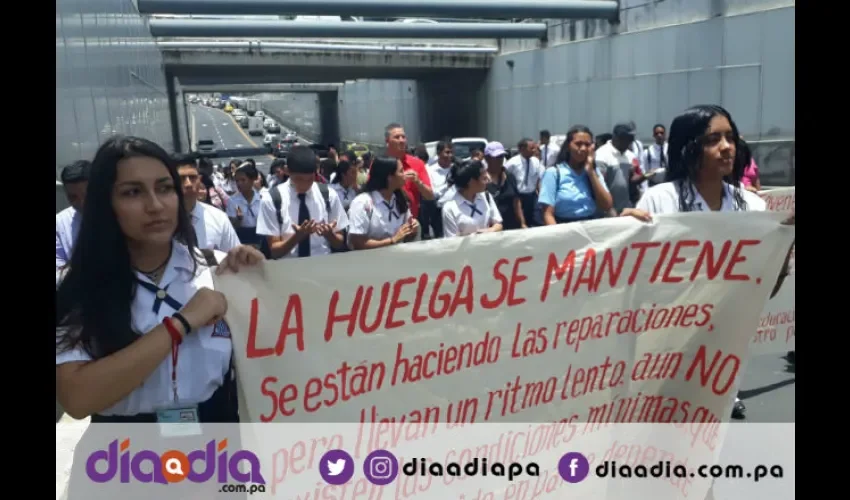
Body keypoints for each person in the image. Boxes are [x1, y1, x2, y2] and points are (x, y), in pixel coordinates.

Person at [56, 136, 264, 499]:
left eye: (164, 188)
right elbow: (77, 396)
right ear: (107, 204)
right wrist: (181, 323)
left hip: (213, 456)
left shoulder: (217, 270)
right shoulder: (79, 285)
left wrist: (264, 282)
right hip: (122, 463)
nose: (155, 205)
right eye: (132, 192)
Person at [621, 104, 794, 420]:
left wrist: (782, 244)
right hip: (664, 345)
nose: (727, 147)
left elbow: (763, 290)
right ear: (690, 148)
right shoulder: (660, 200)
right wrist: (622, 232)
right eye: (714, 139)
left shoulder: (753, 206)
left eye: (730, 137)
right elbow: (638, 279)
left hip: (722, 346)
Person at [256, 145, 349, 259]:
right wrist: (298, 237)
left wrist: (329, 235)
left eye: (310, 179)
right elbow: (274, 251)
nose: (305, 184)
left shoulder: (328, 195)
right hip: (288, 268)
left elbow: (340, 243)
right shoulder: (272, 199)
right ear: (287, 171)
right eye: (299, 179)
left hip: (322, 264)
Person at [538, 125, 613, 224]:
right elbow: (548, 214)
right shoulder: (554, 173)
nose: (583, 148)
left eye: (587, 145)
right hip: (564, 227)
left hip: (591, 226)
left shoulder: (594, 172)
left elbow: (607, 205)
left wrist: (591, 173)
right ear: (568, 146)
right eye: (578, 144)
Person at [347, 156, 419, 250]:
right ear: (390, 177)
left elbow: (405, 236)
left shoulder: (399, 199)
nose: (404, 175)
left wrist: (412, 229)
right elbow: (358, 243)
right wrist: (392, 241)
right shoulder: (362, 203)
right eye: (401, 171)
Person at [175, 153, 239, 252]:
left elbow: (236, 259)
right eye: (181, 178)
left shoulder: (219, 218)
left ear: (199, 180)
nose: (188, 184)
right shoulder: (160, 221)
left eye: (192, 177)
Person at [441, 160, 503, 237]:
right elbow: (451, 242)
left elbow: (498, 224)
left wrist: (488, 231)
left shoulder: (486, 196)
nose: (488, 180)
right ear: (472, 181)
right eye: (484, 178)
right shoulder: (450, 208)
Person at [57, 160, 91, 279]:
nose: (82, 203)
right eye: (73, 197)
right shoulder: (60, 223)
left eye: (87, 195)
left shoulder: (121, 214)